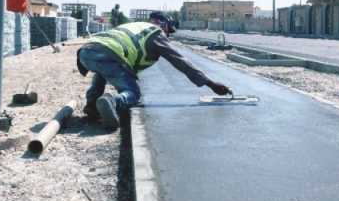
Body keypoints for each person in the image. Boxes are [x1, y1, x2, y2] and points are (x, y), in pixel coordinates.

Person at [76, 11, 232, 129]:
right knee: (132, 93)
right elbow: (180, 61)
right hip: (111, 54)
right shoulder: (155, 33)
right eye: (169, 31)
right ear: (163, 24)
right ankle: (112, 101)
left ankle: (91, 107)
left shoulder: (135, 27)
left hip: (86, 51)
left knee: (104, 71)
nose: (168, 36)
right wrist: (210, 84)